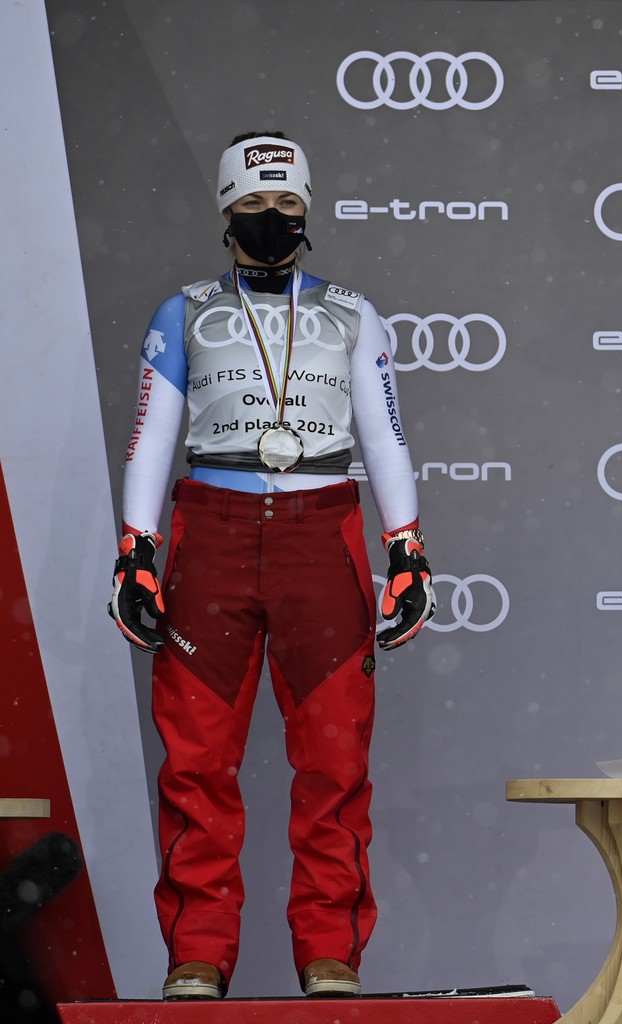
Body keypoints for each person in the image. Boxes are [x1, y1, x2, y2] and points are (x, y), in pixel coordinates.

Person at [107, 132, 436, 998]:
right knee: (195, 762)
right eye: (253, 206)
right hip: (210, 532)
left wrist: (406, 546)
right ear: (226, 212)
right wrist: (135, 552)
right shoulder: (180, 313)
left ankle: (330, 951)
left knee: (335, 762)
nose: (271, 220)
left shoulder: (355, 313)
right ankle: (198, 955)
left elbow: (385, 436)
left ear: (309, 212)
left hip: (319, 529)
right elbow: (150, 441)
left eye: (287, 206)